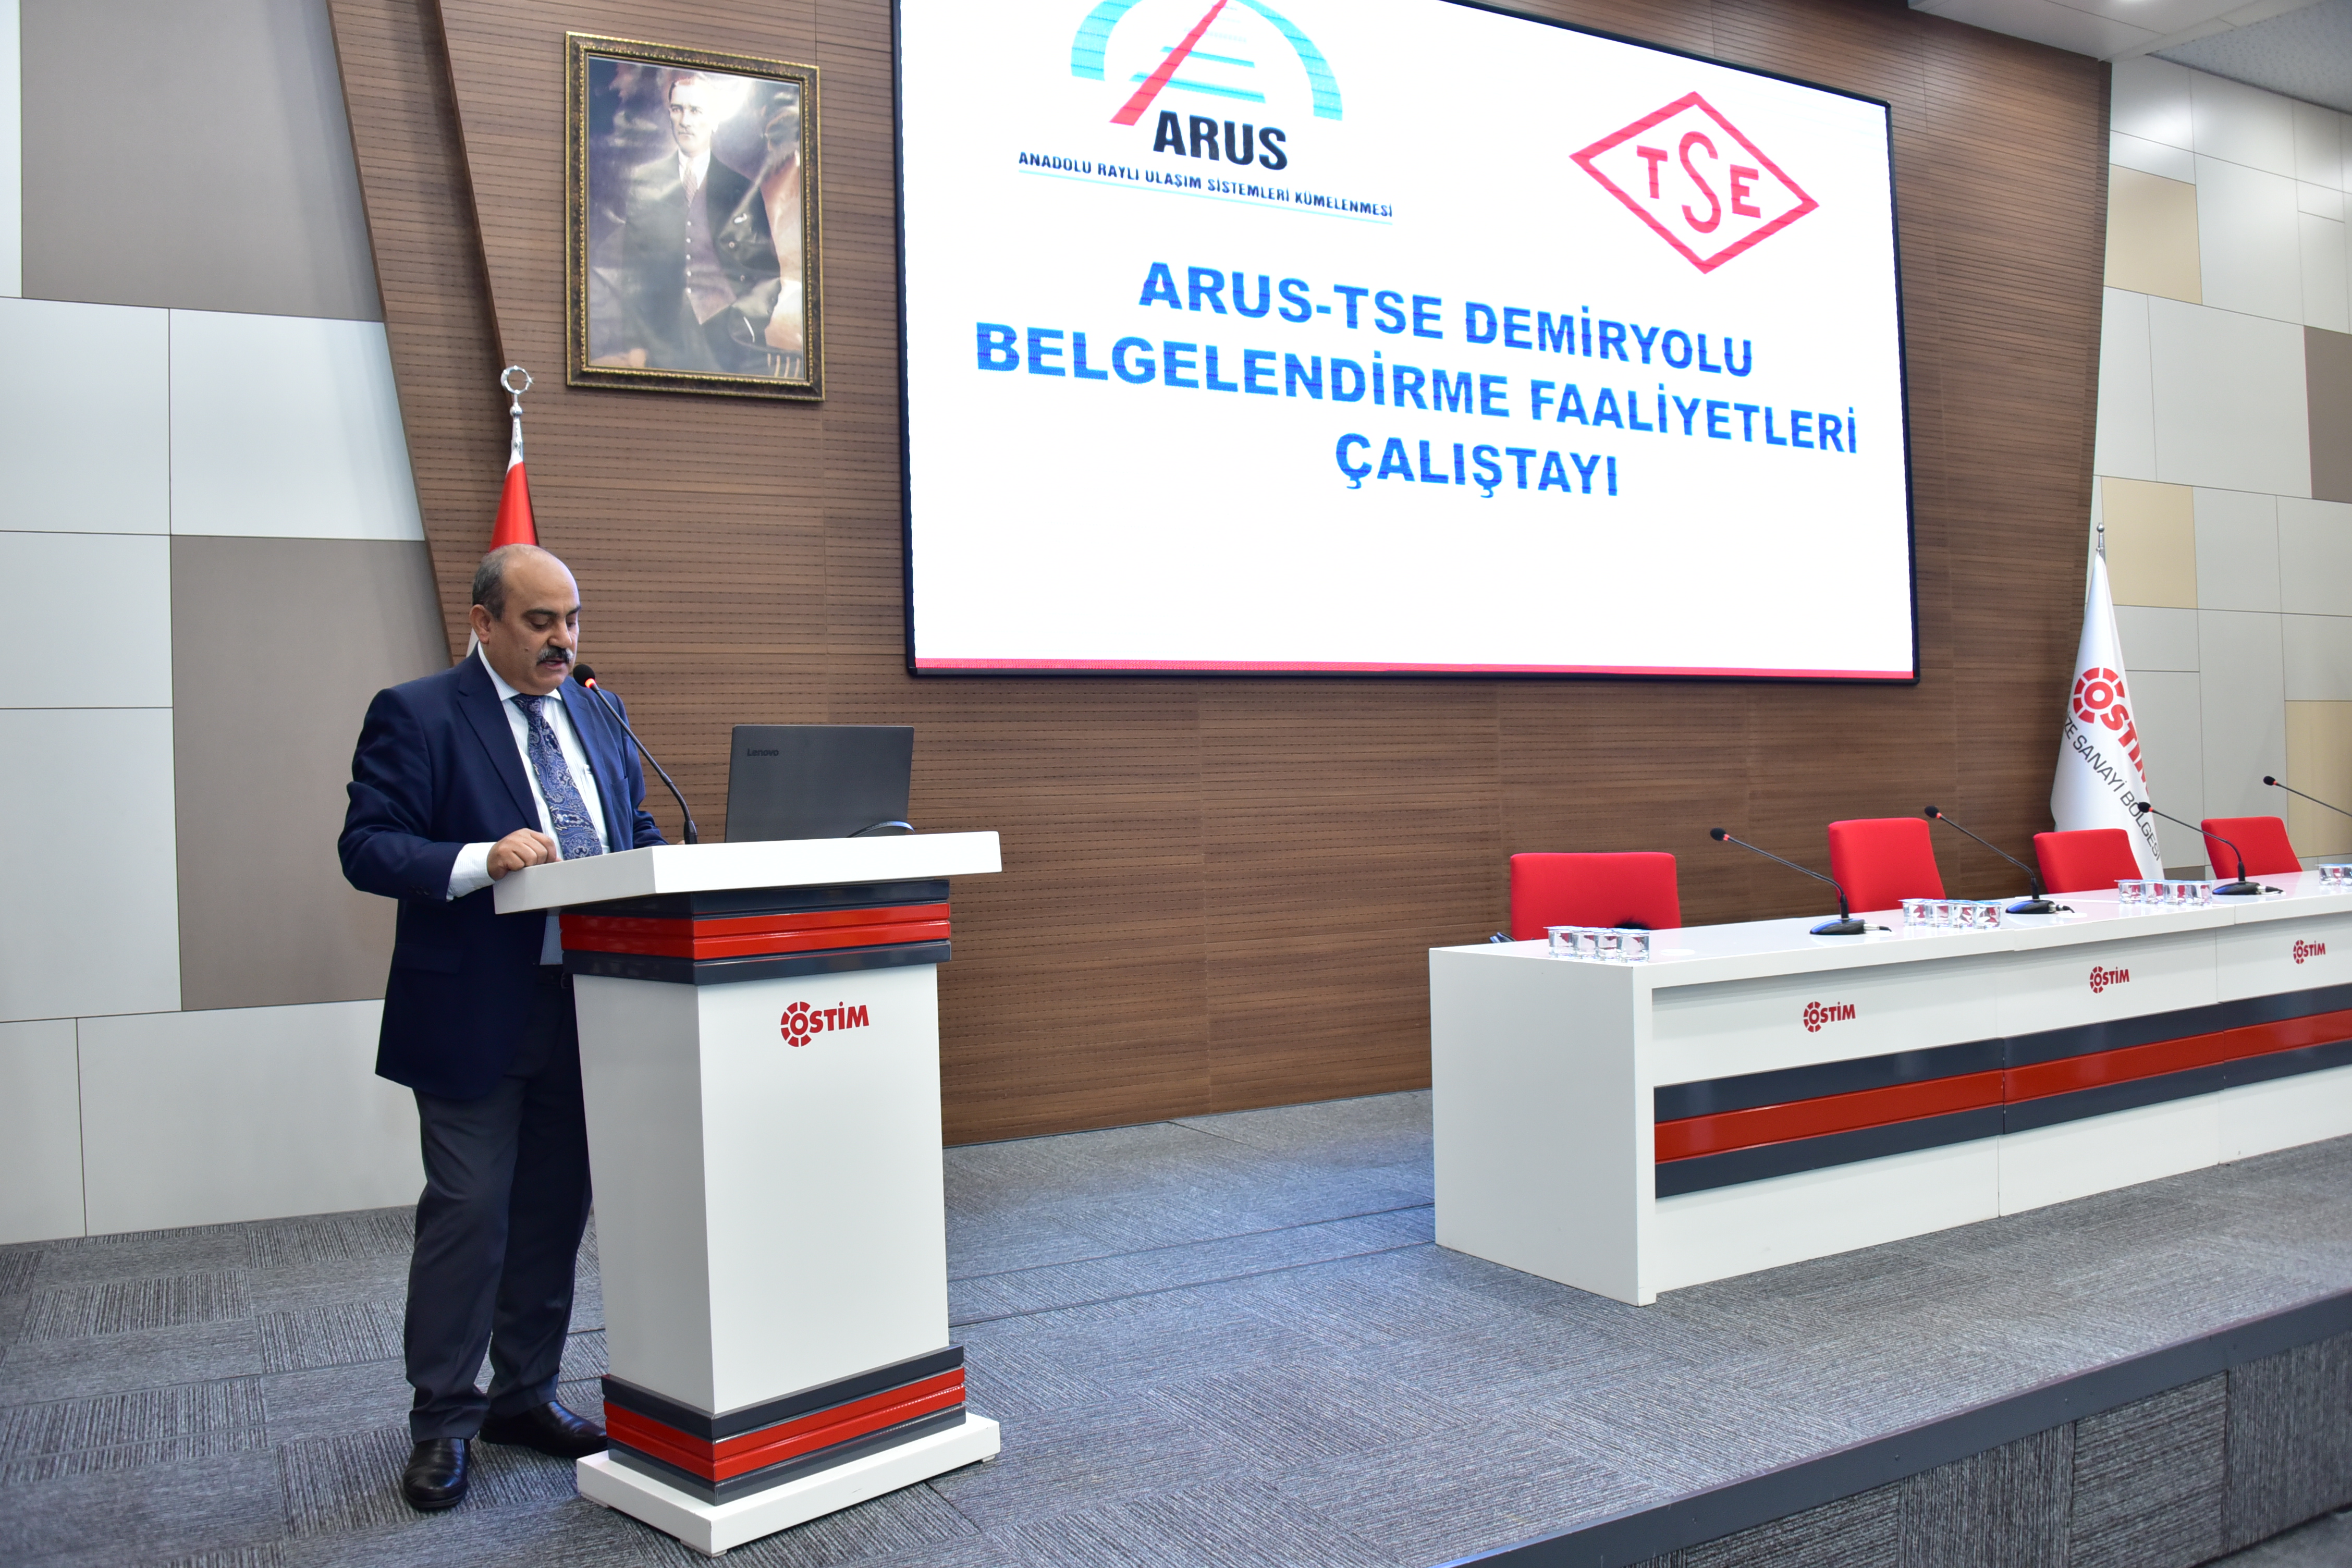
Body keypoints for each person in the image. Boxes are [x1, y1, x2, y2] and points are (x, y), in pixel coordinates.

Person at [339, 544, 665, 1510]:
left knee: (554, 1214)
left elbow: (635, 829)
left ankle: (524, 1396)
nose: (563, 639)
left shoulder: (600, 710)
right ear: (483, 622)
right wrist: (480, 857)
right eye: (540, 621)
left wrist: (672, 871)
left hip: (592, 1004)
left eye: (572, 619)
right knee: (471, 1212)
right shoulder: (418, 713)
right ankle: (443, 1420)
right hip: (475, 1010)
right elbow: (368, 846)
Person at [610, 71, 780, 374]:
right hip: (663, 341)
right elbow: (633, 272)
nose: (685, 121)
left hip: (731, 345)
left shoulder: (741, 188)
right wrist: (636, 344)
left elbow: (768, 273)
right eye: (677, 109)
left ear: (714, 120)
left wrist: (744, 322)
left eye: (696, 111)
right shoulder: (645, 182)